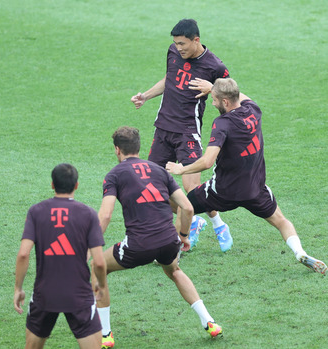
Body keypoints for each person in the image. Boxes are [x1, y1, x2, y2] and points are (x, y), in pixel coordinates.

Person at [166, 78, 327, 275]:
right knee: (281, 221)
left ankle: (176, 250)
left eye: (214, 99)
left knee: (184, 206)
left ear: (225, 102)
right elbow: (242, 97)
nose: (213, 103)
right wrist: (213, 89)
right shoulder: (254, 110)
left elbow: (207, 161)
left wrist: (181, 169)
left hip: (223, 191)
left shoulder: (222, 123)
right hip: (255, 189)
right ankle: (300, 252)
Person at [95, 126, 222, 348]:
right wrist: (182, 235)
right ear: (138, 147)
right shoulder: (159, 170)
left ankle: (105, 334)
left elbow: (105, 215)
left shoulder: (114, 175)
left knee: (99, 267)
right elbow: (188, 208)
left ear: (117, 150)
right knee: (174, 271)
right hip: (168, 242)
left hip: (139, 244)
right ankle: (209, 322)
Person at [130, 18, 232, 252]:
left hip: (188, 130)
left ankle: (219, 225)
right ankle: (194, 220)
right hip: (163, 127)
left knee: (192, 188)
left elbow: (229, 98)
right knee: (152, 186)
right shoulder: (172, 52)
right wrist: (146, 95)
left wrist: (212, 89)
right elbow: (170, 78)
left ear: (196, 40)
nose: (179, 48)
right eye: (176, 44)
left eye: (183, 44)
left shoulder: (215, 66)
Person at [14, 163, 108, 349]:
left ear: (52, 184)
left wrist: (18, 288)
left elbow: (23, 254)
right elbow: (98, 261)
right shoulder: (88, 214)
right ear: (76, 185)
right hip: (79, 295)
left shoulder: (36, 212)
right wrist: (101, 285)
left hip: (44, 294)